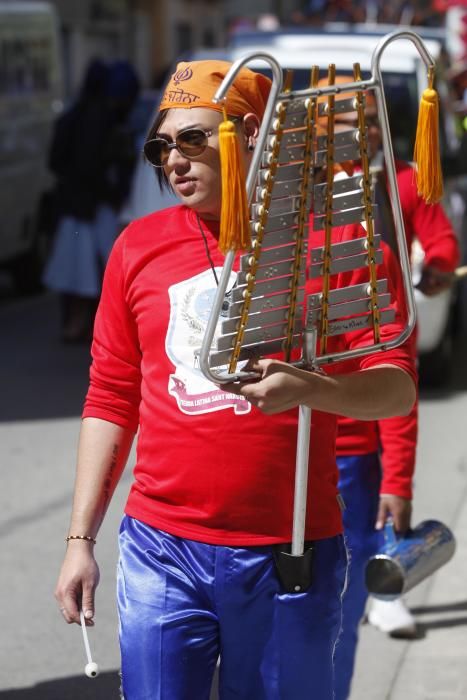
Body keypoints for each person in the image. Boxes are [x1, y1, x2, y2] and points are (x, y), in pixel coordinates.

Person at [54, 60, 417, 700]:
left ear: (250, 132)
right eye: (160, 147)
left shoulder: (337, 243)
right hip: (161, 549)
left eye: (193, 138)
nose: (173, 161)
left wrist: (312, 389)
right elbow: (110, 397)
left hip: (291, 548)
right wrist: (80, 539)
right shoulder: (137, 248)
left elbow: (395, 386)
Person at [325, 77, 460, 700]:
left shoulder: (402, 181)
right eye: (344, 121)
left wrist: (434, 269)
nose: (359, 132)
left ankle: (383, 587)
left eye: (367, 120)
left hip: (381, 329)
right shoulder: (302, 192)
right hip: (314, 362)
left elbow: (440, 241)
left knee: (377, 483)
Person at [42, 59, 140, 343]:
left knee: (79, 271)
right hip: (92, 207)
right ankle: (89, 328)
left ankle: (78, 325)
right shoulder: (99, 118)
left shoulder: (75, 114)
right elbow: (91, 165)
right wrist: (110, 194)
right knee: (94, 270)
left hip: (75, 206)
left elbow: (57, 161)